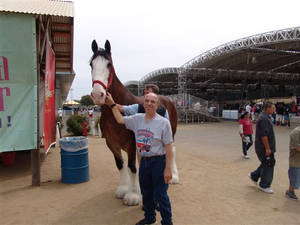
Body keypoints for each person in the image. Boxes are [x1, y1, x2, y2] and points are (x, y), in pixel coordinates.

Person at [106, 92, 173, 225]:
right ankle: (150, 217)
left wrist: (168, 169)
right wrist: (112, 104)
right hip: (144, 161)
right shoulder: (137, 119)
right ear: (143, 103)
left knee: (161, 194)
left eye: (152, 102)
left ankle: (167, 222)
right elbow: (120, 119)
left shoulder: (163, 123)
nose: (149, 103)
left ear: (157, 105)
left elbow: (169, 146)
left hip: (158, 161)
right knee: (146, 192)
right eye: (146, 101)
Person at [248, 102, 276, 194]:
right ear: (267, 108)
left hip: (265, 146)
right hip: (263, 147)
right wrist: (267, 148)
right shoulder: (263, 119)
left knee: (265, 163)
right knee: (268, 165)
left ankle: (254, 176)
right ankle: (264, 185)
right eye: (272, 108)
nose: (274, 110)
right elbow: (263, 135)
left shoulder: (266, 117)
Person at [285, 126, 300, 200]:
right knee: (295, 177)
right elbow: (297, 147)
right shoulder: (296, 132)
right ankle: (290, 191)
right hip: (296, 159)